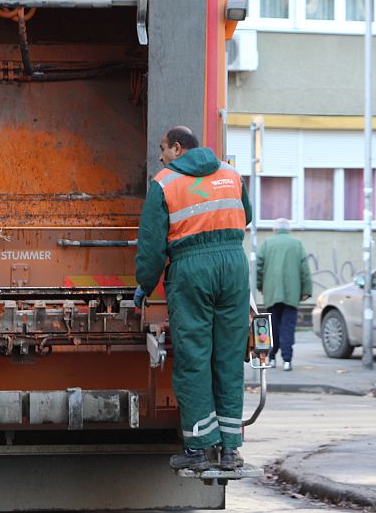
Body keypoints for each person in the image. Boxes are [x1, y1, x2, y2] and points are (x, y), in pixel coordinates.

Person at [133, 126, 252, 472]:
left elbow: (152, 244)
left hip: (192, 271)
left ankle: (198, 449)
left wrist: (145, 284)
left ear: (178, 148)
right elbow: (248, 215)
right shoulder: (230, 173)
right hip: (233, 267)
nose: (160, 156)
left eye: (163, 149)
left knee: (194, 357)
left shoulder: (165, 183)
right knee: (229, 357)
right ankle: (230, 449)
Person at [256, 218, 312, 371]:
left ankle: (272, 358)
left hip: (272, 293)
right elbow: (304, 269)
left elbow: (258, 267)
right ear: (288, 230)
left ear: (274, 229)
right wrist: (306, 291)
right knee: (288, 327)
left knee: (272, 326)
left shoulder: (267, 244)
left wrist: (260, 286)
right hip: (291, 294)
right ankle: (287, 361)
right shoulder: (297, 244)